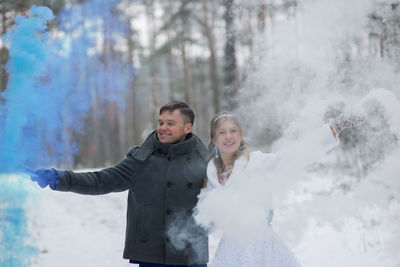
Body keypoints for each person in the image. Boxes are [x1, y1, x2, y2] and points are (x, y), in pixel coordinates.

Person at [30, 101, 209, 267]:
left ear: (187, 127)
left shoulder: (206, 161)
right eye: (160, 122)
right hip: (153, 253)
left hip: (192, 252)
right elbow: (101, 181)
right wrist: (59, 178)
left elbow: (227, 194)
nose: (163, 128)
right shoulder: (141, 160)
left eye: (170, 123)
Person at [197, 111, 365, 267]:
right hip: (231, 250)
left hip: (262, 246)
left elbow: (294, 155)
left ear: (240, 136)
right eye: (221, 132)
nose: (228, 137)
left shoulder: (257, 163)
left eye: (233, 131)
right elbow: (209, 224)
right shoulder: (211, 174)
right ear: (213, 139)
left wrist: (334, 127)